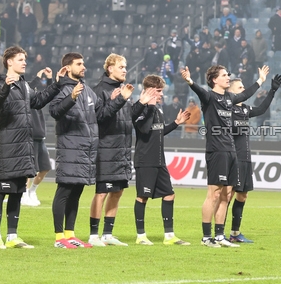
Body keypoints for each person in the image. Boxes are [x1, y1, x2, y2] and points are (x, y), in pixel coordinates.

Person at [50, 53, 130, 248]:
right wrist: (70, 98)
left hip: (85, 149)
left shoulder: (87, 90)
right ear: (68, 68)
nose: (83, 66)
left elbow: (101, 114)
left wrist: (116, 101)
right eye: (79, 64)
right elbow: (54, 111)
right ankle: (59, 237)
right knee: (64, 191)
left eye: (83, 63)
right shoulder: (62, 88)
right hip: (70, 147)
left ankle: (70, 234)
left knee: (76, 192)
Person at [181, 63, 265, 248]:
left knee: (226, 194)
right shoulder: (209, 96)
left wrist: (260, 81)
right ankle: (206, 237)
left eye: (228, 74)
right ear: (214, 79)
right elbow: (199, 91)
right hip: (216, 150)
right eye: (225, 75)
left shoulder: (229, 98)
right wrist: (189, 81)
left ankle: (220, 236)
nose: (228, 77)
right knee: (214, 193)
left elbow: (245, 95)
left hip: (231, 150)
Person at [0, 46, 62, 249]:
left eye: (24, 59)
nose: (24, 62)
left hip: (23, 145)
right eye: (20, 59)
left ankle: (12, 237)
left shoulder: (24, 85)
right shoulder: (0, 82)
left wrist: (56, 84)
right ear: (9, 61)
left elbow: (37, 102)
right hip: (6, 145)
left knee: (18, 192)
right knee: (1, 191)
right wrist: (4, 89)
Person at [131, 75, 190, 246]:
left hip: (159, 160)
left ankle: (169, 236)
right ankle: (141, 236)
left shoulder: (158, 110)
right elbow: (143, 129)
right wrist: (149, 106)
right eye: (157, 91)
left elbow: (159, 131)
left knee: (169, 195)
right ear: (148, 90)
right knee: (143, 197)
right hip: (145, 161)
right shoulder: (141, 109)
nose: (160, 94)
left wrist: (176, 123)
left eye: (161, 91)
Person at [227, 72, 281, 244]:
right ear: (232, 92)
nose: (243, 89)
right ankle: (217, 233)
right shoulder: (227, 109)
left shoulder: (244, 109)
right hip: (232, 158)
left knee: (242, 196)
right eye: (240, 87)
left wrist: (272, 91)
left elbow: (261, 110)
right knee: (226, 195)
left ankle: (235, 233)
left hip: (245, 158)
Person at [88, 54, 134, 247]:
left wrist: (140, 104)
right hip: (106, 149)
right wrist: (119, 100)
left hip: (122, 149)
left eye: (126, 66)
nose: (125, 70)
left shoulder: (122, 90)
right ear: (110, 69)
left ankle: (107, 234)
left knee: (118, 191)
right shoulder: (99, 90)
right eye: (121, 66)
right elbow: (100, 118)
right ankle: (93, 235)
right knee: (102, 192)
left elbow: (127, 118)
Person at [22, 68, 55, 207]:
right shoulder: (24, 95)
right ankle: (23, 194)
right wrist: (37, 77)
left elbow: (51, 94)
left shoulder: (36, 97)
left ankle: (31, 191)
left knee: (45, 168)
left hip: (40, 136)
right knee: (28, 169)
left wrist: (49, 80)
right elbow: (26, 89)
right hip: (29, 136)